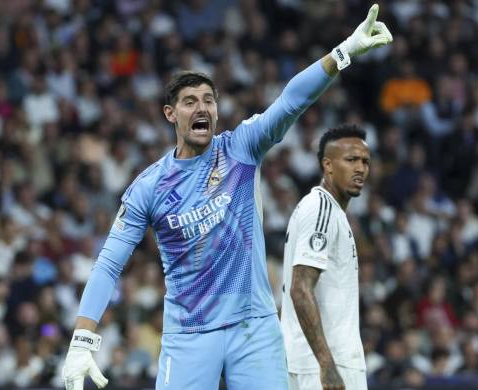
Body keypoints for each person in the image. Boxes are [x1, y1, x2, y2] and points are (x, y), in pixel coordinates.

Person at [61, 4, 392, 390]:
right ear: (171, 114)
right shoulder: (150, 187)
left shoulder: (241, 149)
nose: (202, 107)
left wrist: (344, 51)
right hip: (189, 333)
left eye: (208, 100)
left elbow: (291, 101)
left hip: (253, 327)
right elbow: (109, 263)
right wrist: (82, 339)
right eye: (190, 101)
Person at [281, 125, 371, 390]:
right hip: (326, 366)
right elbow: (300, 287)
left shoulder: (329, 211)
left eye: (365, 161)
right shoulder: (321, 209)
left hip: (318, 363)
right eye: (351, 160)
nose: (360, 168)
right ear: (328, 165)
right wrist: (326, 364)